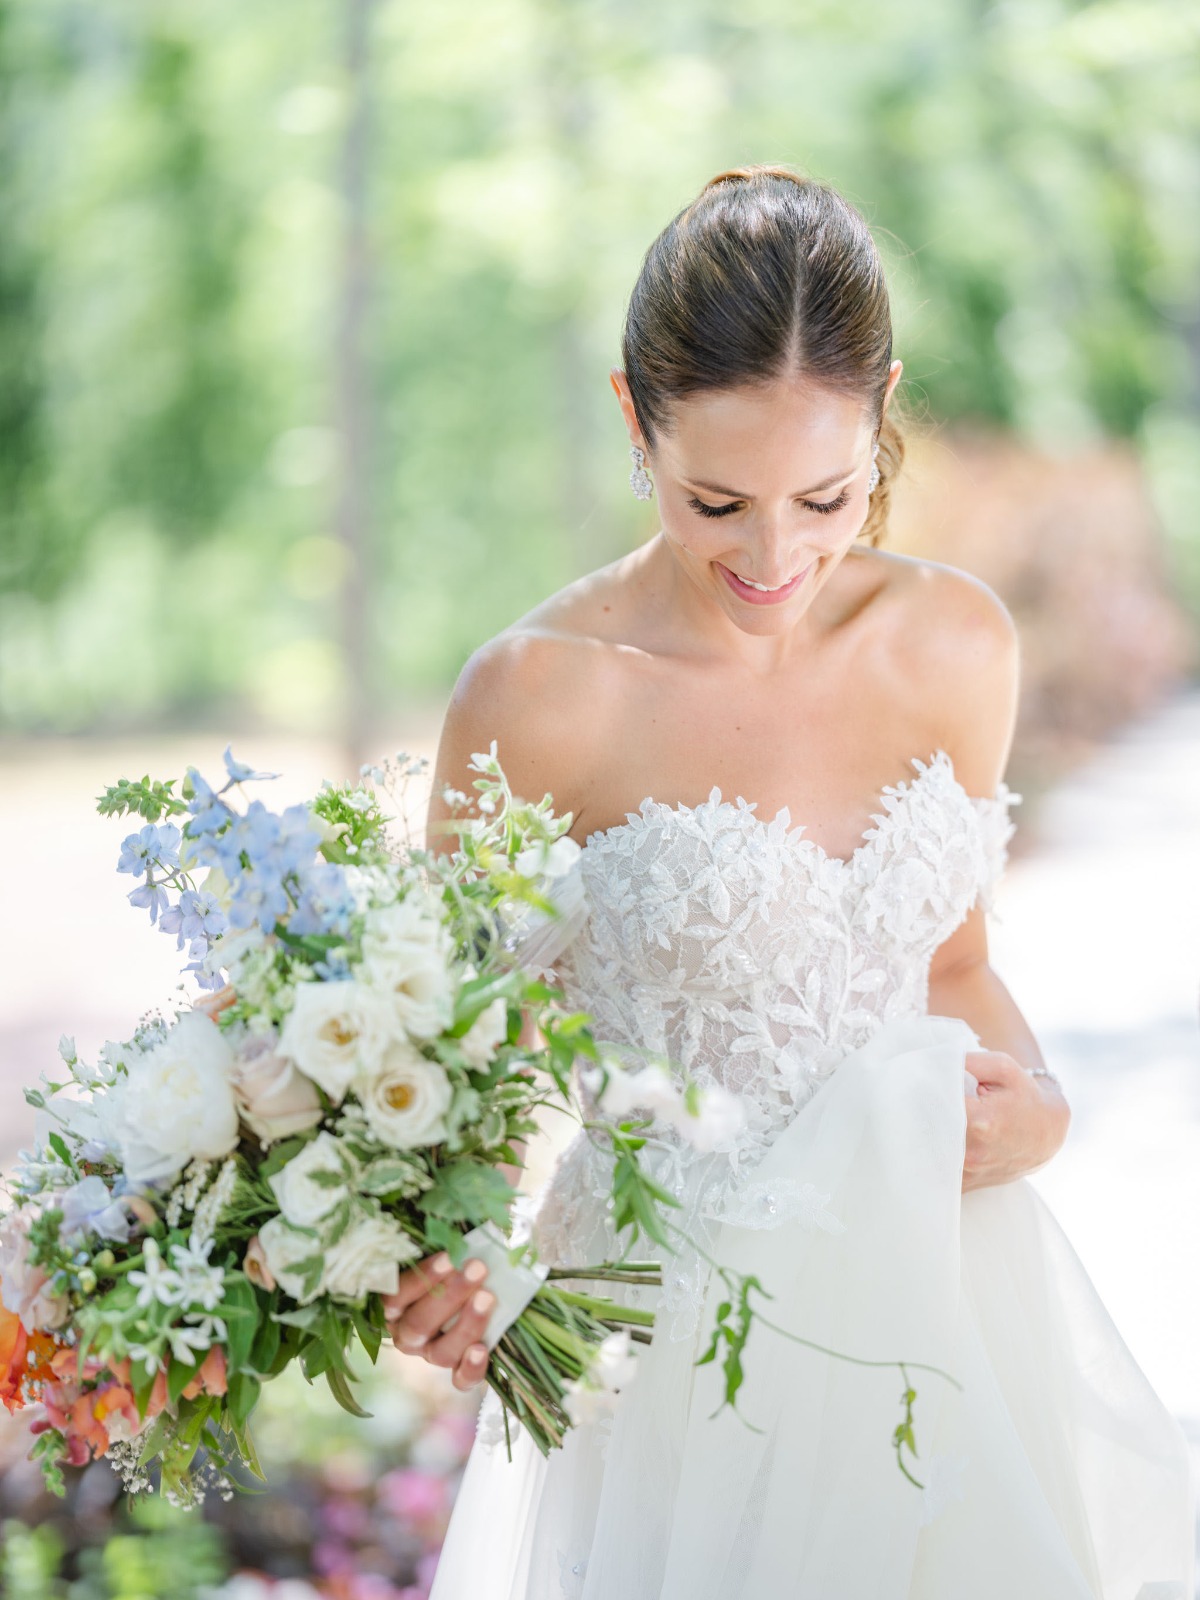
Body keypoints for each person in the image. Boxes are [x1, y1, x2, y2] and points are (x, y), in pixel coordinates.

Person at [382, 165, 1194, 1598]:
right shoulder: (539, 694)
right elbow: (457, 1053)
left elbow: (951, 968)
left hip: (942, 1300)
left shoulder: (957, 643)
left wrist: (1046, 1112)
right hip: (670, 1344)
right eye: (718, 500)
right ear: (634, 416)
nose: (775, 557)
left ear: (884, 408)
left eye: (825, 496)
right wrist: (446, 1256)